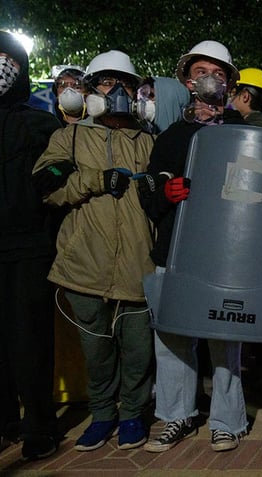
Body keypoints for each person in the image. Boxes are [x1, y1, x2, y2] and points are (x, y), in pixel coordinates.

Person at [31, 49, 155, 452]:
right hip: (84, 266)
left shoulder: (149, 141)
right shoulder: (68, 136)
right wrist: (94, 180)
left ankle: (133, 414)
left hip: (139, 267)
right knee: (97, 353)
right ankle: (103, 415)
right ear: (88, 91)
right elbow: (47, 186)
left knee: (137, 352)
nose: (117, 90)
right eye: (106, 82)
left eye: (126, 84)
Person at [140, 40, 249, 453]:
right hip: (176, 253)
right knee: (172, 341)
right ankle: (175, 416)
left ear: (229, 84)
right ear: (188, 80)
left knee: (226, 343)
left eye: (220, 74)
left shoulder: (244, 135)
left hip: (226, 259)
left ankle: (227, 421)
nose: (211, 80)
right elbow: (148, 198)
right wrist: (165, 194)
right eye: (203, 72)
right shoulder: (169, 138)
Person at [0, 30, 63, 461]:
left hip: (27, 248)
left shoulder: (41, 122)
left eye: (9, 60)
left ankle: (39, 425)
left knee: (30, 341)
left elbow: (57, 180)